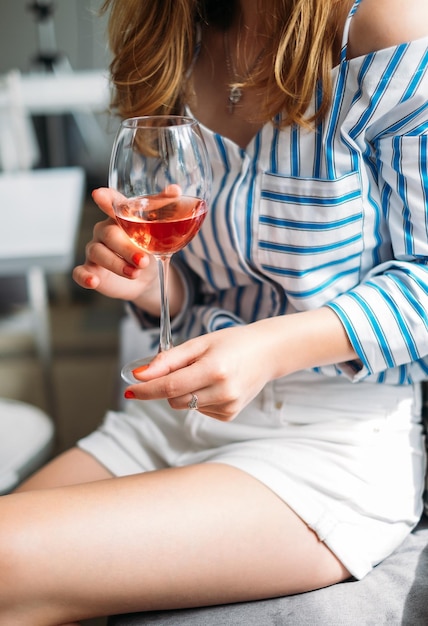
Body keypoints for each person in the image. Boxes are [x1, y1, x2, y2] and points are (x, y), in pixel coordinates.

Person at [1, 0, 428, 623]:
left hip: (325, 445)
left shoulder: (382, 24)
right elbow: (195, 291)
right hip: (171, 422)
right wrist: (147, 285)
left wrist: (270, 348)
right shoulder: (168, 31)